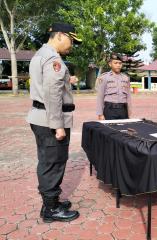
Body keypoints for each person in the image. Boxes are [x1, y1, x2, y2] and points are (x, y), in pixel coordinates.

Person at [26, 22, 82, 222]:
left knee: (48, 161)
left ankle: (52, 202)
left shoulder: (41, 54)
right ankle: (50, 209)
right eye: (71, 40)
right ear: (60, 35)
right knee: (54, 163)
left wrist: (68, 81)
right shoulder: (53, 58)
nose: (72, 45)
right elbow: (51, 94)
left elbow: (47, 84)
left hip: (41, 117)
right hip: (51, 119)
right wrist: (58, 125)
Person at [96, 53, 132, 120]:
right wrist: (100, 114)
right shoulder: (104, 77)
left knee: (123, 130)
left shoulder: (126, 78)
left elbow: (128, 97)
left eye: (120, 63)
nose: (118, 65)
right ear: (110, 64)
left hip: (123, 110)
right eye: (115, 63)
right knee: (109, 130)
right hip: (109, 110)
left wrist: (129, 112)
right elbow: (100, 96)